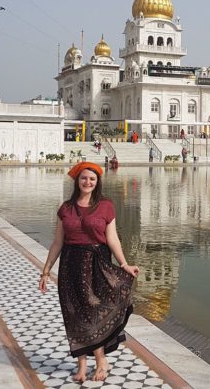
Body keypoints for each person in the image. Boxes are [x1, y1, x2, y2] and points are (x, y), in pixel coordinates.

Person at [39, 162, 139, 383]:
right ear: (77, 180)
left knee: (95, 312)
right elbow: (57, 242)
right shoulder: (65, 208)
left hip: (98, 263)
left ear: (97, 182)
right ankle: (81, 365)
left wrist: (124, 264)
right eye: (84, 178)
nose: (88, 182)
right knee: (74, 314)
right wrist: (45, 271)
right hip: (71, 264)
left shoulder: (105, 206)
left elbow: (112, 238)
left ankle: (101, 360)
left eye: (92, 179)